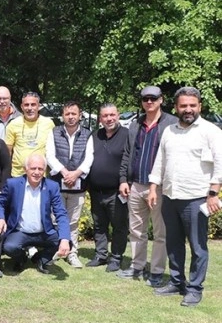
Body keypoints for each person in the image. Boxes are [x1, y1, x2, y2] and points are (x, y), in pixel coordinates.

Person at [147, 87, 222, 307]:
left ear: (200, 106)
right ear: (176, 107)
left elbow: (220, 164)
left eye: (192, 105)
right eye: (183, 106)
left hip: (197, 198)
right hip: (170, 197)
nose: (188, 109)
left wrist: (213, 194)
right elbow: (160, 161)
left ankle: (195, 288)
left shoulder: (211, 131)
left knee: (198, 247)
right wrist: (153, 187)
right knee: (173, 243)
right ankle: (177, 282)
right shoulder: (169, 131)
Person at [117, 85, 176, 286]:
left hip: (158, 187)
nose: (149, 102)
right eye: (145, 99)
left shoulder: (171, 124)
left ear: (161, 99)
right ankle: (137, 266)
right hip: (136, 185)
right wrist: (123, 180)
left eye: (153, 98)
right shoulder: (135, 124)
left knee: (160, 233)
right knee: (136, 231)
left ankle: (157, 271)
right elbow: (127, 154)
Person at [0, 154, 71, 274]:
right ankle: (21, 258)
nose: (37, 172)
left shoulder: (52, 186)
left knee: (66, 241)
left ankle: (40, 258)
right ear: (25, 169)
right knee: (10, 247)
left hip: (44, 233)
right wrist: (0, 218)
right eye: (33, 168)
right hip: (20, 231)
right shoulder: (13, 184)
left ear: (44, 171)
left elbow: (61, 213)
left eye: (40, 169)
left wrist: (65, 239)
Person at [45, 101, 94, 269]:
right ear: (62, 116)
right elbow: (50, 155)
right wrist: (65, 172)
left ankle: (72, 253)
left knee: (73, 221)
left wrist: (76, 174)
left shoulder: (87, 134)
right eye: (67, 114)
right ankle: (56, 249)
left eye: (74, 113)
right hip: (57, 184)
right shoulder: (54, 132)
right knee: (55, 219)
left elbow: (89, 157)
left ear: (80, 115)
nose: (71, 117)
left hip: (78, 185)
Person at [86, 103, 129, 272]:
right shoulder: (95, 135)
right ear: (100, 118)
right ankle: (100, 255)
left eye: (112, 115)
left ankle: (116, 257)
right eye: (105, 116)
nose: (109, 119)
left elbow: (129, 161)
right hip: (96, 191)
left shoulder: (127, 135)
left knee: (119, 226)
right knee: (99, 226)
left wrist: (125, 182)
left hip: (117, 192)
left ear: (118, 115)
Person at [4, 92, 56, 177]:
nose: (29, 108)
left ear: (39, 106)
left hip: (40, 174)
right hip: (18, 174)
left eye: (33, 105)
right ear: (22, 107)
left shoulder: (49, 123)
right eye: (26, 105)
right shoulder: (13, 124)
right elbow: (7, 152)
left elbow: (53, 149)